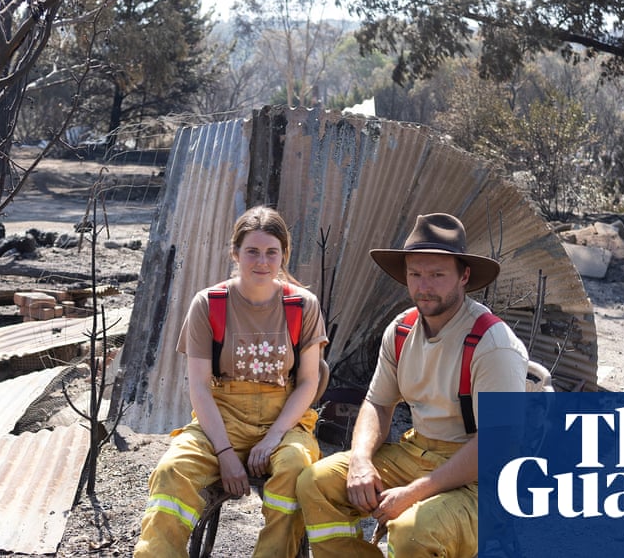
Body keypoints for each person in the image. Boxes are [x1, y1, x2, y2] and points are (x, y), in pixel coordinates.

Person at [296, 213, 529, 557]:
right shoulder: (402, 330)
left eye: (437, 275)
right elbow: (377, 403)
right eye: (416, 274)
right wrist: (360, 459)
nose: (424, 286)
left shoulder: (491, 343)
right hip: (415, 451)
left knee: (412, 532)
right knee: (315, 483)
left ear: (464, 276)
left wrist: (415, 492)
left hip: (483, 478)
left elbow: (496, 443)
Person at [135, 206, 329, 557]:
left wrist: (272, 438)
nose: (262, 262)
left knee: (295, 469)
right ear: (234, 253)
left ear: (284, 254)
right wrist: (224, 452)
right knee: (172, 470)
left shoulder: (302, 305)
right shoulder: (210, 304)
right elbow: (198, 386)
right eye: (252, 251)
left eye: (272, 252)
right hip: (220, 419)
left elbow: (308, 382)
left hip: (283, 421)